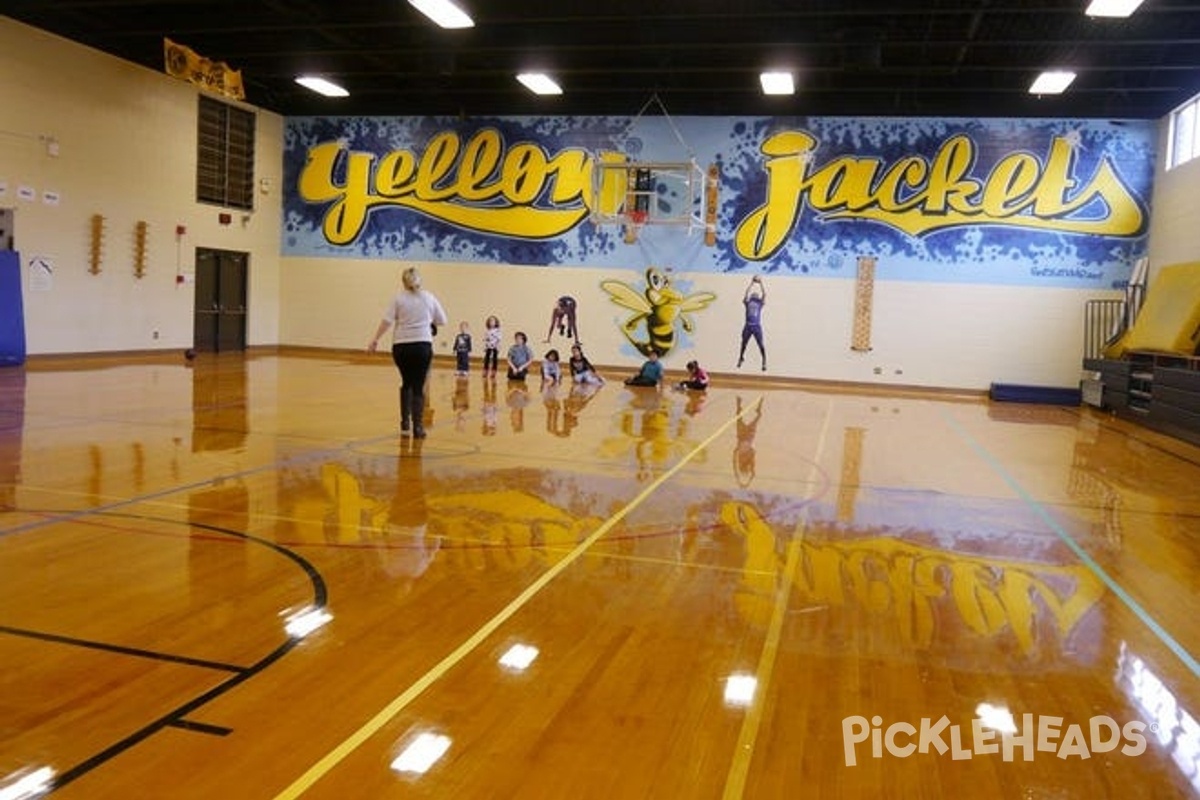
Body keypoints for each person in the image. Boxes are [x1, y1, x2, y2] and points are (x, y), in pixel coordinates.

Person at [367, 266, 448, 439]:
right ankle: (418, 428)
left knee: (406, 382)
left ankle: (405, 423)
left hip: (401, 346)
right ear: (420, 280)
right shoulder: (429, 297)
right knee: (418, 386)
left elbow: (387, 321)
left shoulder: (398, 298)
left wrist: (375, 339)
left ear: (403, 282)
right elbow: (442, 320)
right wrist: (427, 320)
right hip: (422, 345)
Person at [738, 275, 767, 371]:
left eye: (756, 295)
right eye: (753, 295)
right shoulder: (748, 302)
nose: (754, 295)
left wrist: (761, 283)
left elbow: (764, 294)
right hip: (748, 326)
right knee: (743, 343)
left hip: (756, 326)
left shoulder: (759, 303)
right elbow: (746, 293)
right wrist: (752, 283)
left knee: (761, 344)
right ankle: (741, 358)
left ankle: (764, 361)